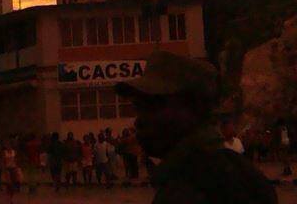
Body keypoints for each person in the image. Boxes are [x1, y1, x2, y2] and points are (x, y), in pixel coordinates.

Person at [115, 50, 278, 203]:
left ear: (194, 106)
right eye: (138, 107)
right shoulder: (238, 174)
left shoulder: (197, 185)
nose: (139, 121)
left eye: (152, 105)